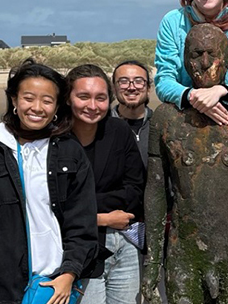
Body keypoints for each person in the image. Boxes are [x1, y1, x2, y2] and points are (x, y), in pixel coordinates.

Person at [143, 23, 228, 304]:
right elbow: (155, 195)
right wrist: (150, 272)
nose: (203, 63)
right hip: (184, 254)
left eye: (211, 54)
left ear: (226, 59)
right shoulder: (166, 118)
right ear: (185, 61)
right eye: (195, 54)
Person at [0, 59, 98, 304]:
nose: (37, 107)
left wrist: (69, 273)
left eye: (47, 100)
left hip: (54, 283)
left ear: (56, 107)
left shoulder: (70, 152)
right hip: (1, 282)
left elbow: (82, 223)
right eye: (28, 98)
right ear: (14, 100)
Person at [67, 64, 147, 304]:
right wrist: (101, 218)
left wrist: (85, 204)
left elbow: (135, 188)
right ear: (68, 98)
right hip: (77, 243)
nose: (93, 106)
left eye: (100, 98)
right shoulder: (56, 138)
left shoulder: (118, 130)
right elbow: (52, 203)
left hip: (125, 239)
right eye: (83, 97)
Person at [110, 60, 153, 163]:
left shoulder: (159, 125)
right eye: (123, 81)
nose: (131, 87)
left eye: (139, 81)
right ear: (114, 89)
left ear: (148, 88)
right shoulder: (102, 127)